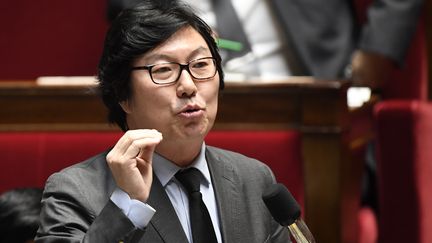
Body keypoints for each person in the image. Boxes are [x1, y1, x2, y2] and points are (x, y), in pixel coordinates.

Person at [35, 1, 290, 242]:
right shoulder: (74, 191)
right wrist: (128, 204)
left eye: (201, 65)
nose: (189, 86)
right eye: (163, 70)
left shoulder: (255, 179)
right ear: (123, 95)